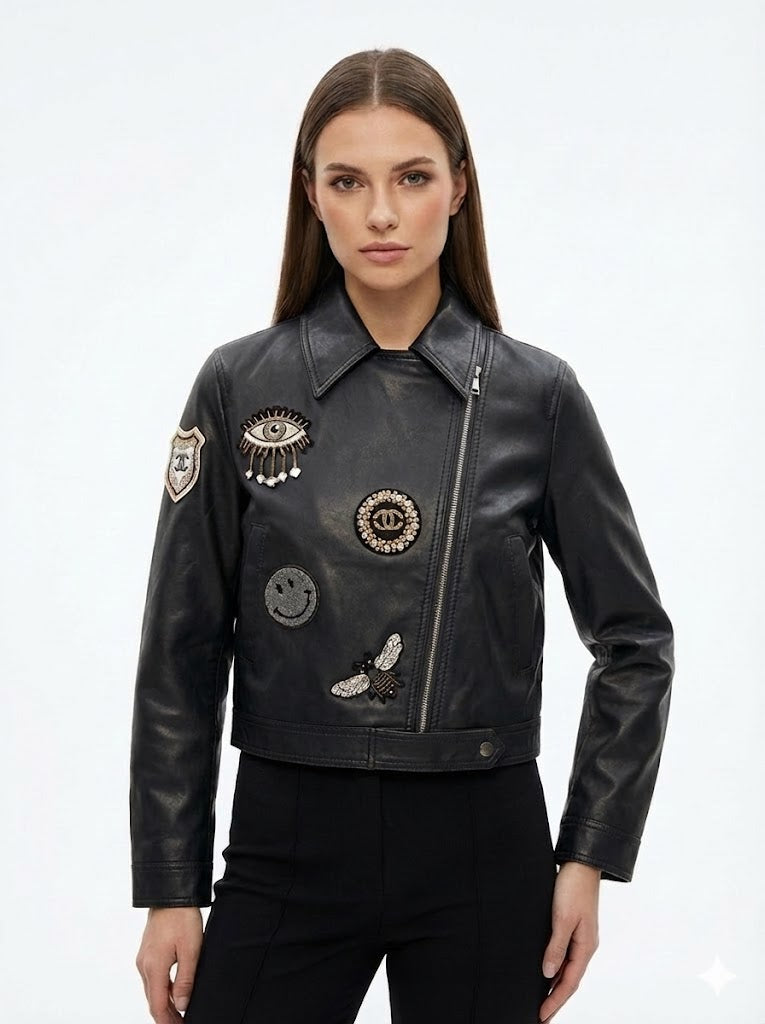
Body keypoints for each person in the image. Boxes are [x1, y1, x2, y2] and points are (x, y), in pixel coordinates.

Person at [130, 47, 674, 1024]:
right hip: (287, 832)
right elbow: (181, 649)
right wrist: (171, 885)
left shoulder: (537, 397)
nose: (381, 213)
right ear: (311, 194)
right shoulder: (238, 387)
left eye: (412, 178)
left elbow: (634, 640)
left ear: (458, 187)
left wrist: (587, 856)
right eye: (348, 181)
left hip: (483, 841)